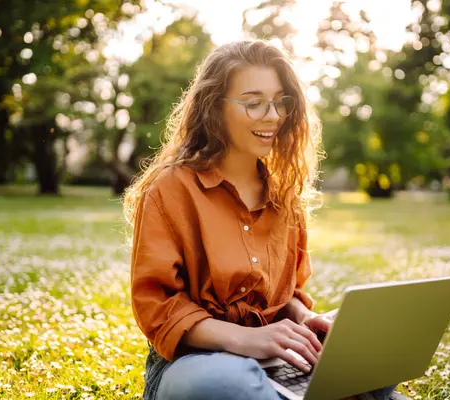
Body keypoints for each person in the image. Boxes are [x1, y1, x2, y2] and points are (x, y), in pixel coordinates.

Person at [123, 40, 405, 400]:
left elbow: (287, 294)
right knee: (227, 382)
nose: (272, 115)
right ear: (214, 109)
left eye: (280, 101)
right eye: (254, 103)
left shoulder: (285, 192)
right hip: (196, 364)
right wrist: (248, 340)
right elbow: (159, 308)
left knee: (372, 341)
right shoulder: (170, 189)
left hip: (275, 359)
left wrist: (302, 318)